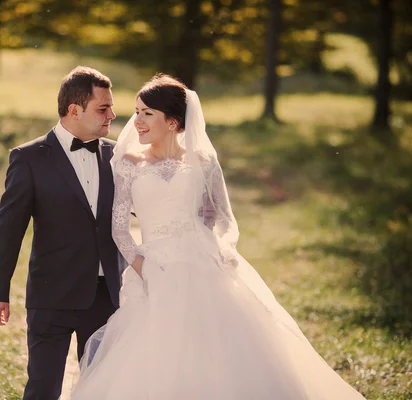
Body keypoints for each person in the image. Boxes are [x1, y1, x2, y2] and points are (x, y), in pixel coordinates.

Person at [69, 74, 367, 399]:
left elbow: (222, 218)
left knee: (221, 348)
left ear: (172, 121)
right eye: (137, 111)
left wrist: (221, 250)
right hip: (155, 270)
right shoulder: (127, 164)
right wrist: (144, 267)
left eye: (146, 113)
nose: (136, 121)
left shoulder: (204, 161)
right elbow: (119, 229)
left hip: (203, 265)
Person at [0, 66, 121, 400]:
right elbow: (8, 228)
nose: (112, 115)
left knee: (102, 389)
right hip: (50, 295)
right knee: (43, 388)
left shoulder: (118, 156)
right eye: (103, 108)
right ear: (75, 110)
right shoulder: (28, 158)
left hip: (106, 297)